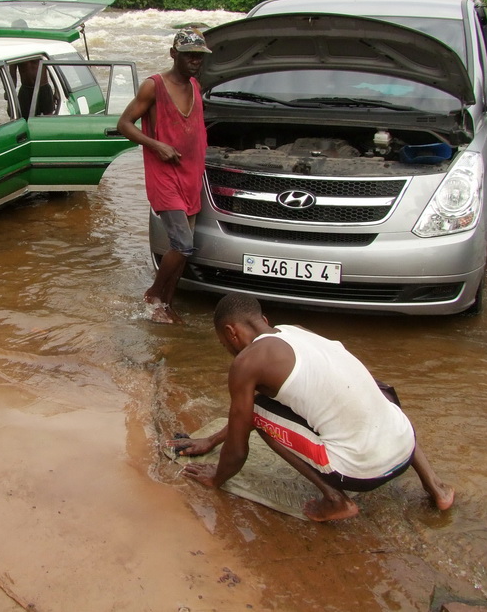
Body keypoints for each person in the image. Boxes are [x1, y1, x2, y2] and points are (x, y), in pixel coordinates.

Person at [169, 293, 455, 521]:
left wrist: (217, 477)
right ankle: (436, 487)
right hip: (404, 447)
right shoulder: (297, 332)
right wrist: (211, 439)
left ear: (231, 332)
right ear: (264, 320)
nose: (228, 350)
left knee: (256, 410)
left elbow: (240, 444)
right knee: (379, 393)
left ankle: (336, 499)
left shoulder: (247, 363)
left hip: (362, 471)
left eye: (223, 343)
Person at [118, 28, 211, 324]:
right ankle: (154, 294)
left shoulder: (196, 85)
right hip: (164, 177)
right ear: (174, 55)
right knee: (182, 244)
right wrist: (155, 144)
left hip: (191, 177)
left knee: (181, 252)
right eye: (189, 56)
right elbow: (124, 124)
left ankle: (166, 306)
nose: (195, 61)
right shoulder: (153, 86)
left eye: (199, 56)